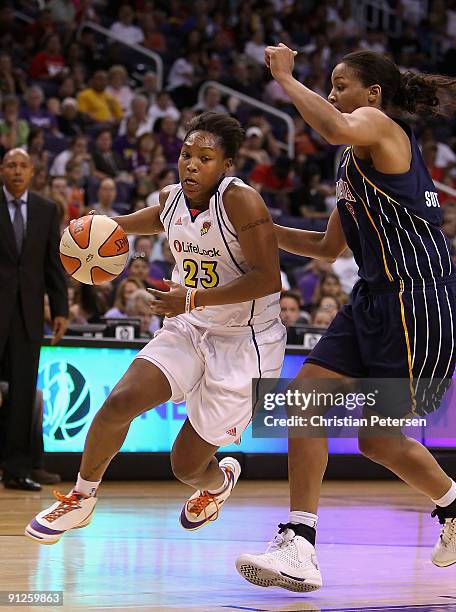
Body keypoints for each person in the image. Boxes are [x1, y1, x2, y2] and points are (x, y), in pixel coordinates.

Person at [236, 47, 456, 591]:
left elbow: (331, 126)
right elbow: (328, 247)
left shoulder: (380, 127)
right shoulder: (353, 163)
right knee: (305, 399)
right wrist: (258, 227)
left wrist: (284, 77)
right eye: (327, 86)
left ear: (372, 94)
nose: (331, 95)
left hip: (421, 303)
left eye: (339, 85)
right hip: (373, 299)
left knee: (378, 440)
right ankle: (299, 544)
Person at [26, 111, 286, 543]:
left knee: (185, 466)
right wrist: (102, 227)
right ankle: (81, 498)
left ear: (227, 166)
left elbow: (267, 278)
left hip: (246, 342)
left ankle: (218, 483)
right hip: (189, 326)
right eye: (186, 155)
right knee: (120, 402)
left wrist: (192, 297)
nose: (191, 164)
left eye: (205, 158)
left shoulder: (242, 201)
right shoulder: (172, 199)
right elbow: (153, 218)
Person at [0, 148, 68, 491]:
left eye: (22, 165)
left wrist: (60, 310)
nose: (16, 171)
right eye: (10, 165)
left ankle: (16, 468)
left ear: (32, 172)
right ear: (2, 170)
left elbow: (53, 265)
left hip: (27, 316)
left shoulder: (45, 209)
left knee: (23, 395)